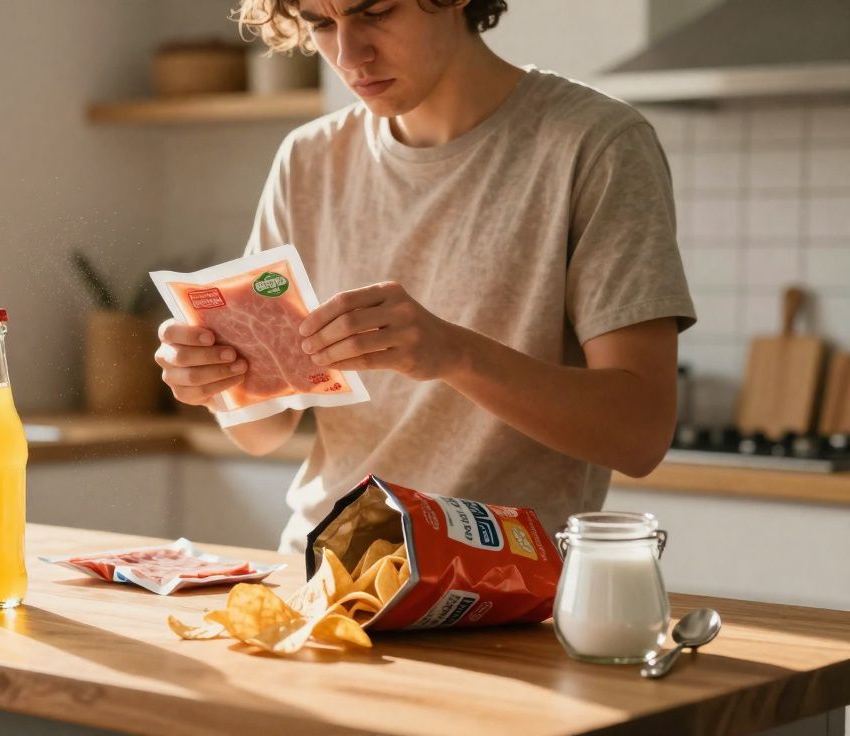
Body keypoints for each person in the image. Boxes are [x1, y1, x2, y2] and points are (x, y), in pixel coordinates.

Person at [153, 0, 696, 553]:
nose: (348, 54)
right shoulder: (308, 160)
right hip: (328, 576)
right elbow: (263, 432)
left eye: (377, 12)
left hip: (502, 591)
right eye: (321, 24)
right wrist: (218, 384)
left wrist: (454, 353)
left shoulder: (596, 144)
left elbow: (640, 435)